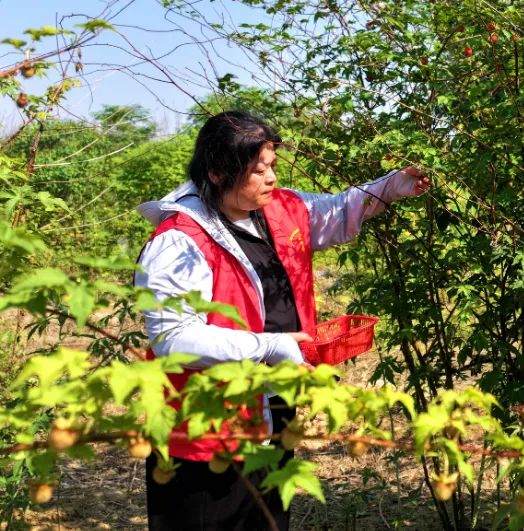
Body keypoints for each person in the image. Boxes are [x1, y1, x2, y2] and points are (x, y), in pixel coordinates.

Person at [134, 110, 430, 530]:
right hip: (206, 430)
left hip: (270, 414)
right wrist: (269, 346)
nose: (271, 178)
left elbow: (335, 209)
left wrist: (390, 188)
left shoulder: (277, 209)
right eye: (258, 171)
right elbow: (173, 339)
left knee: (265, 520)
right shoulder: (180, 242)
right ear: (217, 173)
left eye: (272, 166)